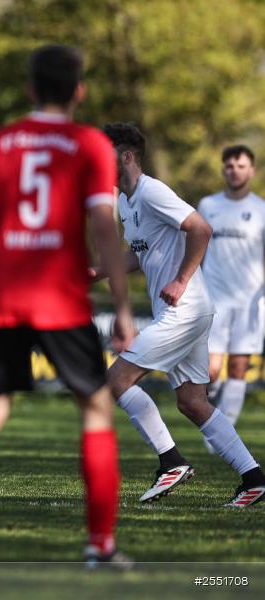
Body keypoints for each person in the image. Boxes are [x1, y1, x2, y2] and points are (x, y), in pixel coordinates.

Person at [0, 45, 135, 567]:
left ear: (31, 89)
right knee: (96, 409)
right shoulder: (87, 144)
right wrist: (122, 304)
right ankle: (99, 546)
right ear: (79, 90)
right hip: (60, 296)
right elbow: (103, 227)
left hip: (4, 294)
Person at [96, 123, 265, 509]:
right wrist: (100, 270)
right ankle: (254, 478)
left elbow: (200, 229)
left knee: (115, 381)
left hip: (184, 311)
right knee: (191, 402)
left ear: (126, 157)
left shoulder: (152, 191)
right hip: (184, 312)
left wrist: (181, 279)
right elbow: (140, 253)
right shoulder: (126, 201)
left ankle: (171, 461)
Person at [197, 145, 264, 433]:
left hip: (250, 303)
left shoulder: (261, 209)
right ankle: (214, 422)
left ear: (252, 170)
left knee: (238, 368)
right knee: (210, 371)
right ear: (223, 169)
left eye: (240, 165)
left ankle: (223, 434)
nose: (234, 170)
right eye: (229, 166)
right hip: (214, 300)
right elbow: (195, 248)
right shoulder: (208, 205)